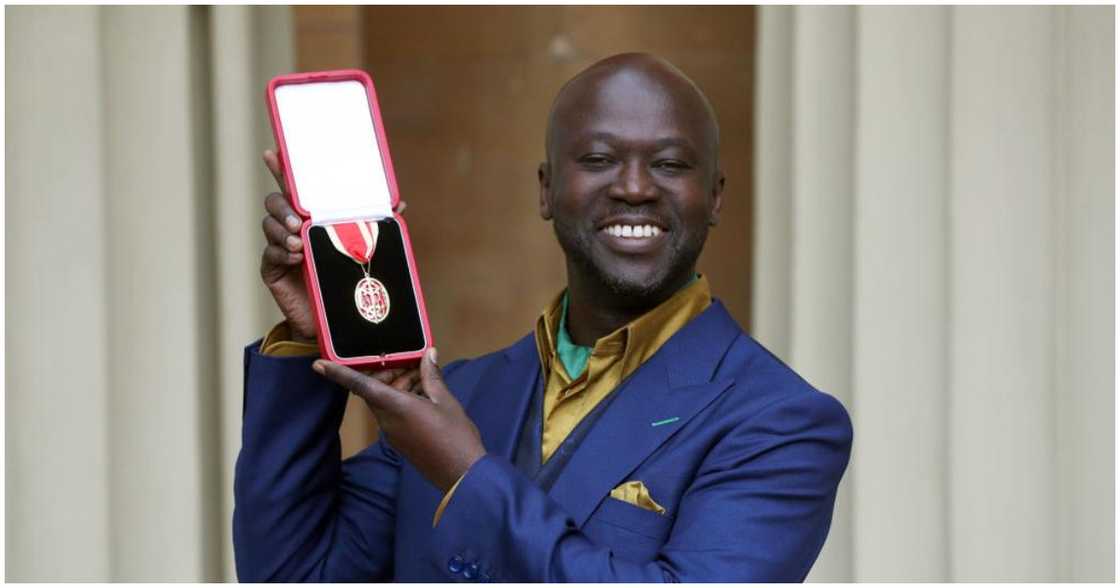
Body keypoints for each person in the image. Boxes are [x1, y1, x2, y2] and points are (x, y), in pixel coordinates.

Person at [234, 52, 852, 582]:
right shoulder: (459, 395)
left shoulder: (782, 422)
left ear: (714, 196)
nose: (634, 186)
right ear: (546, 191)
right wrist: (305, 340)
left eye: (668, 164)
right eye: (599, 158)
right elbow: (291, 573)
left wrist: (465, 475)